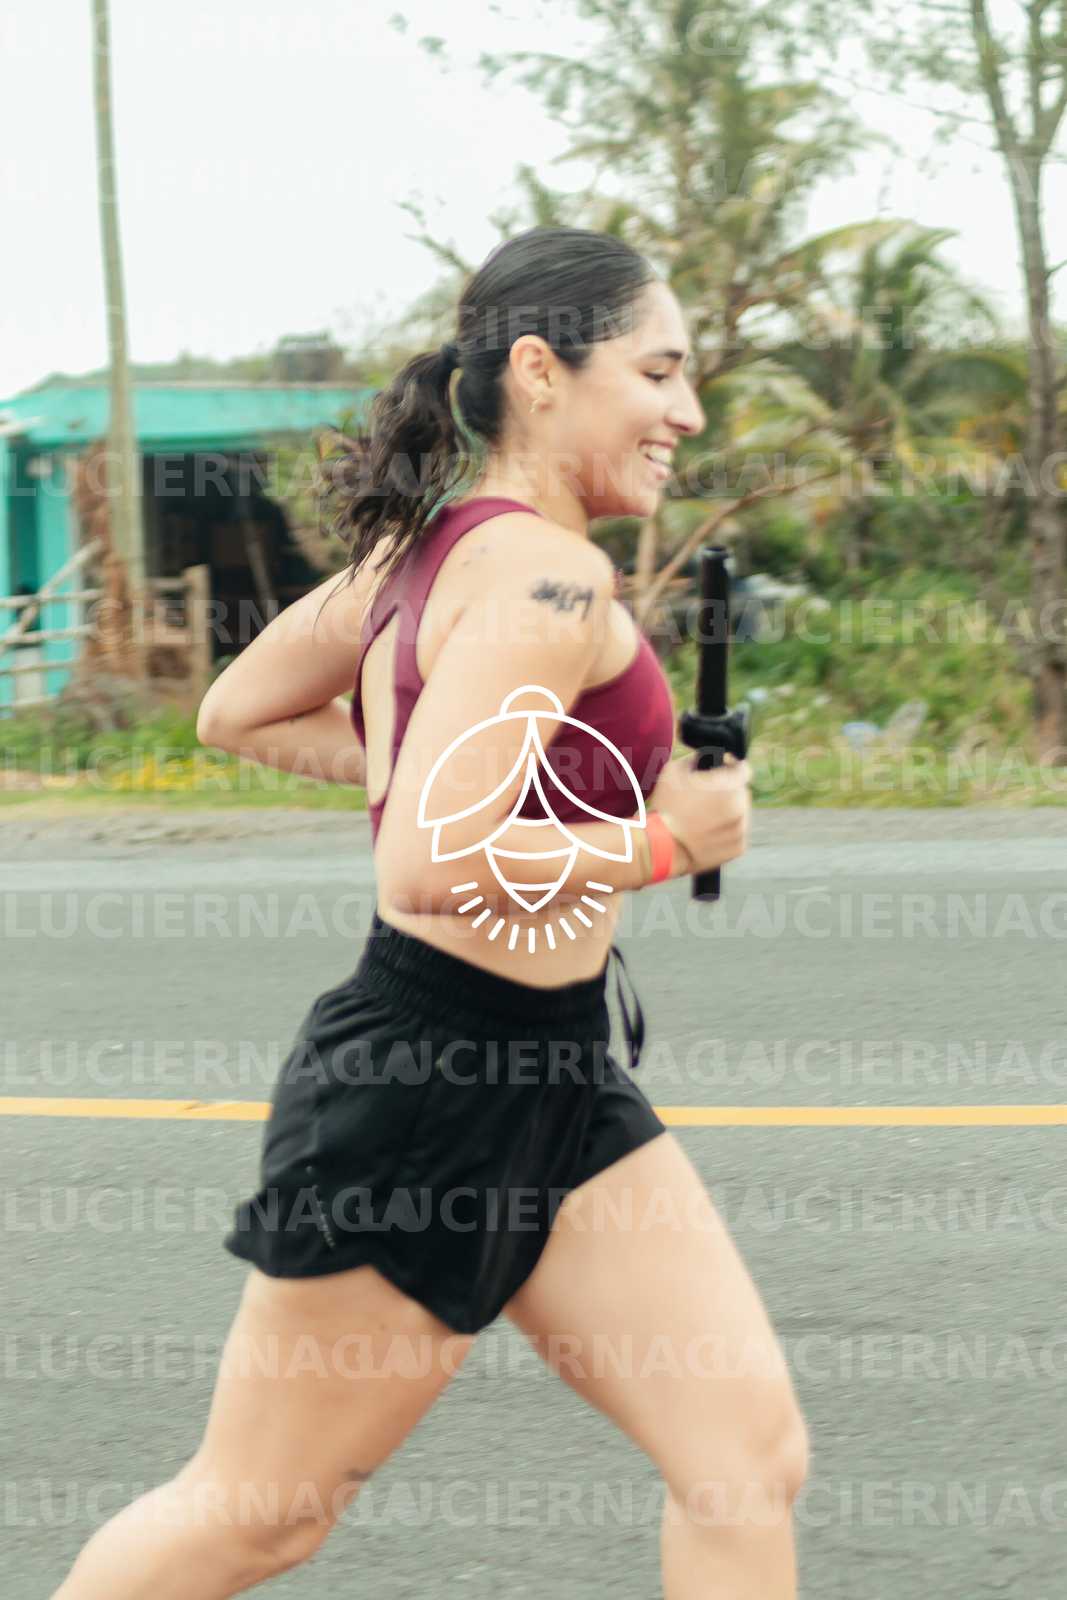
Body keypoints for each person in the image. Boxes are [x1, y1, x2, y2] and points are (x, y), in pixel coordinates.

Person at [50, 226, 808, 1599]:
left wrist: (451, 776)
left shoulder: (436, 553)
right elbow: (425, 863)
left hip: (559, 1069)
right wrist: (662, 840)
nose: (690, 411)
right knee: (257, 1515)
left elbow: (238, 711)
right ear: (542, 371)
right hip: (426, 1086)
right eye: (659, 372)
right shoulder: (548, 580)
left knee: (744, 1462)